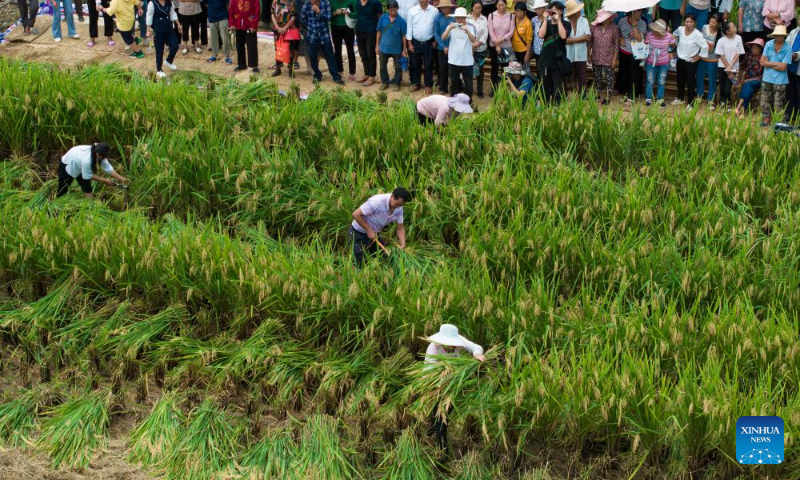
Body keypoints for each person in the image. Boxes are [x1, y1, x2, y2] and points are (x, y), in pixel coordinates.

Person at [423, 323, 485, 454]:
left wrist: (477, 354)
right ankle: (442, 449)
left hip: (453, 385)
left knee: (443, 414)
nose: (452, 346)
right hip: (436, 385)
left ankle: (434, 427)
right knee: (441, 417)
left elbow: (475, 347)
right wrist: (446, 377)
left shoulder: (460, 341)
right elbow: (429, 372)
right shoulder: (433, 348)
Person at [349, 188, 411, 267]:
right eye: (397, 204)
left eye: (401, 205)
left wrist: (403, 244)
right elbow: (356, 214)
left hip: (375, 234)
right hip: (358, 232)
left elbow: (400, 228)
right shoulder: (377, 202)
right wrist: (368, 229)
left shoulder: (399, 209)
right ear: (392, 196)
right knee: (359, 261)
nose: (398, 207)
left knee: (384, 256)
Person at [57, 143, 129, 199]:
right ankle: (57, 206)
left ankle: (90, 207)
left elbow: (108, 169)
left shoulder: (100, 150)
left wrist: (123, 179)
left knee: (87, 188)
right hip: (68, 164)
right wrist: (105, 181)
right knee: (63, 189)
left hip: (79, 163)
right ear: (98, 155)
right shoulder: (87, 160)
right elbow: (89, 176)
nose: (104, 159)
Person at [302, 0, 346, 83]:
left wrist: (319, 12)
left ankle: (336, 77)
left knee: (330, 56)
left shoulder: (326, 3)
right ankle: (317, 75)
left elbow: (329, 18)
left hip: (324, 35)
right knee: (312, 56)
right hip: (312, 35)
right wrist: (311, 27)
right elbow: (303, 19)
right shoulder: (306, 4)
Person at [672, 14, 708, 108]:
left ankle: (690, 103)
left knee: (690, 83)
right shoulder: (680, 29)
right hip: (680, 60)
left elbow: (705, 46)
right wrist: (675, 43)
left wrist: (698, 57)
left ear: (694, 23)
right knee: (680, 81)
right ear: (684, 22)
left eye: (691, 22)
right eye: (687, 21)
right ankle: (680, 98)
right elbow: (674, 34)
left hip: (690, 62)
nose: (688, 24)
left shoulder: (697, 34)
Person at [537, 0, 569, 103]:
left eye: (556, 10)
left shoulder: (566, 24)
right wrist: (545, 19)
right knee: (545, 86)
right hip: (545, 60)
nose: (553, 12)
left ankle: (556, 108)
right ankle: (545, 106)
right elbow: (541, 35)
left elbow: (563, 35)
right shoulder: (545, 22)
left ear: (561, 11)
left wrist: (558, 21)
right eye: (551, 10)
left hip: (558, 61)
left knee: (558, 87)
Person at [760, 25, 792, 125]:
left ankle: (778, 123)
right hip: (767, 78)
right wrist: (777, 63)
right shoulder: (769, 44)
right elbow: (761, 62)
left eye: (781, 36)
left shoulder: (788, 48)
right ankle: (766, 120)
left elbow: (783, 67)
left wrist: (768, 63)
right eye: (777, 35)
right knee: (764, 101)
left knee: (778, 103)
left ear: (784, 36)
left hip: (780, 80)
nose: (779, 37)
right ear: (774, 36)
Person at [443, 7, 477, 97]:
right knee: (454, 84)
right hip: (453, 60)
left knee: (468, 84)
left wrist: (467, 30)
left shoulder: (470, 26)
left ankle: (468, 102)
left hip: (467, 60)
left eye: (461, 18)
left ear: (465, 18)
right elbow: (443, 37)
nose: (459, 20)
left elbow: (473, 40)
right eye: (457, 18)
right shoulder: (451, 26)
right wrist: (449, 28)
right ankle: (454, 103)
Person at [407, 0, 439, 93]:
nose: (422, 1)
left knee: (428, 64)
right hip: (415, 41)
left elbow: (436, 26)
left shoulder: (434, 11)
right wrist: (409, 43)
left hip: (429, 42)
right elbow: (409, 28)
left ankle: (428, 85)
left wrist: (435, 40)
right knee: (415, 64)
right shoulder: (412, 11)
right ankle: (416, 83)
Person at [618, 9, 647, 106]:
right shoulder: (622, 20)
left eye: (640, 11)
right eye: (637, 11)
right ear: (630, 13)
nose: (640, 13)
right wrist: (620, 38)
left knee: (634, 75)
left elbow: (639, 39)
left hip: (635, 53)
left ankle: (632, 96)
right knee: (625, 74)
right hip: (623, 51)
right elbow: (618, 31)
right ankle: (625, 94)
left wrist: (634, 26)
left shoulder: (642, 23)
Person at [377, 0, 408, 90]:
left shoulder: (401, 21)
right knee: (382, 66)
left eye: (395, 10)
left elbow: (403, 36)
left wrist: (404, 50)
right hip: (383, 48)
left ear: (397, 9)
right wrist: (377, 46)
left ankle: (396, 83)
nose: (393, 12)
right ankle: (384, 82)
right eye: (391, 10)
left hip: (396, 49)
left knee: (398, 67)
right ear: (388, 10)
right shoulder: (383, 18)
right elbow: (378, 32)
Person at [589, 9, 618, 105]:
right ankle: (596, 93)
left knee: (609, 78)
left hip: (609, 57)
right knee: (596, 76)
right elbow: (590, 42)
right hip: (596, 56)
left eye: (608, 18)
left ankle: (608, 96)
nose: (607, 19)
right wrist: (589, 55)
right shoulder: (593, 28)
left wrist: (614, 59)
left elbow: (616, 45)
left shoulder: (614, 28)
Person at [147, 0, 182, 78]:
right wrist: (148, 30)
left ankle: (169, 61)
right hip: (158, 30)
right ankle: (159, 69)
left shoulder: (169, 2)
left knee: (175, 45)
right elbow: (149, 16)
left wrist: (178, 24)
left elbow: (173, 13)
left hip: (169, 28)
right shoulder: (152, 3)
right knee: (159, 50)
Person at [644, 19, 674, 107]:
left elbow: (672, 46)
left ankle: (660, 99)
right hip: (650, 62)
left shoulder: (669, 36)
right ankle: (648, 98)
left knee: (661, 81)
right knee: (650, 81)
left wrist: (672, 39)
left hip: (664, 63)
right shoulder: (649, 35)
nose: (656, 32)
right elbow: (645, 46)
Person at [715, 21, 745, 109]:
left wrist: (730, 67)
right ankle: (722, 102)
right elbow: (721, 55)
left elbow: (738, 53)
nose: (735, 27)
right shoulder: (721, 41)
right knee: (722, 84)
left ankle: (728, 103)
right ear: (727, 31)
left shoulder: (738, 38)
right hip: (722, 66)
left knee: (728, 87)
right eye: (733, 27)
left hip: (733, 67)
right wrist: (727, 66)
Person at [354, 0, 383, 86]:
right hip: (359, 30)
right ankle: (366, 74)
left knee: (370, 54)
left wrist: (379, 32)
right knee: (362, 53)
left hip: (371, 31)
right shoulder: (357, 2)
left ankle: (372, 76)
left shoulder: (375, 3)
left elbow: (380, 17)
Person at [487, 0, 513, 91]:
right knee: (494, 68)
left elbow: (511, 31)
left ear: (506, 5)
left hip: (506, 46)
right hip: (494, 47)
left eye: (503, 5)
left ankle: (504, 89)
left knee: (505, 69)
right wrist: (496, 44)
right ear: (496, 6)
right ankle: (493, 89)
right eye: (499, 5)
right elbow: (490, 31)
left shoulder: (511, 16)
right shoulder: (491, 16)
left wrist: (501, 40)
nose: (501, 7)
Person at [697, 13, 721, 109]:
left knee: (712, 80)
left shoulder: (720, 33)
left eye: (714, 22)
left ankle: (711, 100)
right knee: (699, 77)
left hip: (713, 59)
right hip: (702, 57)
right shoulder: (704, 27)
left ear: (718, 24)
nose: (711, 24)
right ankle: (699, 96)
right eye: (710, 21)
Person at [735, 38, 765, 115]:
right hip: (747, 79)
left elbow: (764, 75)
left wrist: (748, 80)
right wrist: (739, 78)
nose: (754, 50)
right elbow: (741, 66)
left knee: (747, 84)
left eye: (756, 48)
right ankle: (742, 111)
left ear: (760, 49)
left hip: (758, 80)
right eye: (753, 48)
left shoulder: (763, 58)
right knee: (748, 88)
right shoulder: (748, 56)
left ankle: (738, 106)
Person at [563, 0, 588, 94]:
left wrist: (571, 40)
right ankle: (566, 96)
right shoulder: (564, 22)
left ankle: (583, 96)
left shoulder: (584, 20)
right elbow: (564, 40)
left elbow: (588, 37)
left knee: (582, 77)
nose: (579, 12)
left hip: (581, 54)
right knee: (567, 76)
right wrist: (581, 38)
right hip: (568, 54)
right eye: (577, 10)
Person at [230, 0, 260, 73]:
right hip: (238, 24)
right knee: (239, 45)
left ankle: (254, 66)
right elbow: (231, 11)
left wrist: (254, 26)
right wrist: (232, 24)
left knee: (252, 46)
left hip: (250, 25)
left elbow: (257, 11)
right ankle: (242, 64)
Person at [272, 0, 300, 76]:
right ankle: (278, 69)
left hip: (289, 30)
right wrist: (277, 27)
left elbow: (293, 16)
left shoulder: (292, 2)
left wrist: (285, 28)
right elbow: (272, 15)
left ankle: (291, 70)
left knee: (290, 49)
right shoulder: (275, 2)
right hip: (277, 29)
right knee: (278, 48)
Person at [331, 0, 357, 81]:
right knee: (337, 50)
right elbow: (327, 16)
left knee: (350, 50)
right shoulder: (332, 2)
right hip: (335, 27)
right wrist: (335, 12)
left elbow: (356, 14)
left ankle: (352, 73)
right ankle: (339, 70)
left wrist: (349, 13)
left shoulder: (352, 1)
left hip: (348, 28)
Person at [434, 0, 455, 93]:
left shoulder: (454, 18)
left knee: (454, 69)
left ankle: (454, 88)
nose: (444, 9)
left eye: (446, 7)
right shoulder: (438, 17)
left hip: (453, 48)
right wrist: (443, 46)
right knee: (442, 68)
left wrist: (450, 47)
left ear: (450, 7)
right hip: (441, 48)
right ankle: (443, 88)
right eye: (442, 7)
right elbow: (436, 33)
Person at [468, 0, 489, 97]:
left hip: (480, 48)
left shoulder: (484, 19)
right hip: (468, 49)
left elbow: (485, 33)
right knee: (468, 69)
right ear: (472, 7)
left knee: (480, 70)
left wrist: (478, 43)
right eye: (476, 8)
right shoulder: (467, 18)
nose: (477, 10)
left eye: (479, 8)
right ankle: (469, 89)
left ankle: (479, 90)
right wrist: (471, 44)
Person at [784, 26, 800, 123]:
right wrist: (787, 52)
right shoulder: (794, 31)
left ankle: (798, 119)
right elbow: (786, 44)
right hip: (791, 68)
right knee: (790, 93)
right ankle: (789, 116)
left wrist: (795, 55)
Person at [529, 0, 546, 70]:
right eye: (536, 9)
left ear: (544, 8)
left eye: (539, 8)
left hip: (547, 49)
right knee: (539, 69)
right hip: (536, 49)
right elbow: (532, 34)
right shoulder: (533, 20)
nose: (537, 10)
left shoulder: (549, 19)